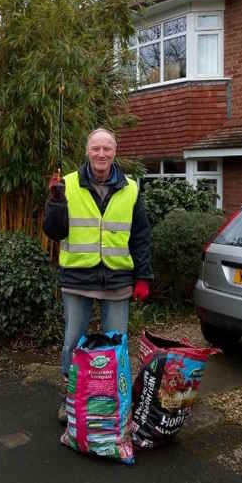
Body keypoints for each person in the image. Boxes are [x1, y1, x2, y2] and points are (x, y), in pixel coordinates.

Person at [43, 128, 152, 423]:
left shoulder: (131, 188)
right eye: (96, 149)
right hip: (77, 280)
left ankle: (111, 401)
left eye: (107, 148)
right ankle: (72, 400)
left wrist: (143, 277)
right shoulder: (66, 184)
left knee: (115, 346)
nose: (101, 154)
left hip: (117, 282)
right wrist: (55, 203)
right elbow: (54, 232)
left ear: (115, 152)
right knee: (72, 343)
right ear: (87, 151)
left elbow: (141, 236)